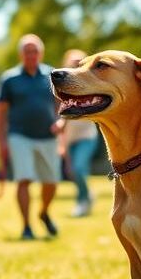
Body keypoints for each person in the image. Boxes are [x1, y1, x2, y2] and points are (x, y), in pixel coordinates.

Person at [0, 34, 63, 239]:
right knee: (24, 179)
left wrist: (61, 121)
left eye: (34, 51)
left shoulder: (52, 74)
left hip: (48, 136)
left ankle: (43, 213)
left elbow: (62, 102)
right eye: (27, 51)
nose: (31, 55)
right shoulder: (9, 79)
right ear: (21, 54)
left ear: (40, 53)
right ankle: (26, 226)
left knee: (51, 182)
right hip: (19, 135)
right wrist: (2, 142)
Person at [58, 50, 100, 217]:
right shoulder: (60, 88)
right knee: (73, 172)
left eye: (80, 62)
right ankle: (87, 195)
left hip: (86, 136)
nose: (76, 65)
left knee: (79, 167)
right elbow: (59, 112)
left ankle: (82, 201)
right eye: (73, 62)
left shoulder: (89, 85)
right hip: (68, 137)